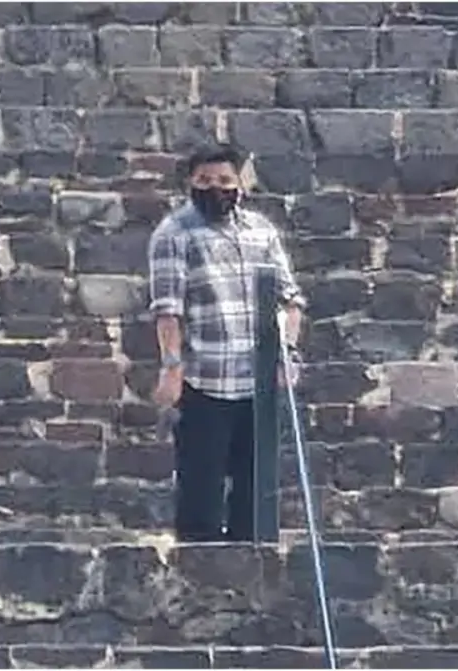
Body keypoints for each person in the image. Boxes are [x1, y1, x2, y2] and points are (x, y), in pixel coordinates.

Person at [148, 143, 306, 543]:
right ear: (190, 183)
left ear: (240, 184)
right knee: (201, 489)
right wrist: (171, 368)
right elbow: (168, 309)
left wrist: (287, 352)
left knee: (256, 492)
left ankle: (254, 577)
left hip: (257, 383)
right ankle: (201, 583)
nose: (215, 188)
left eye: (224, 180)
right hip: (206, 381)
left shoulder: (260, 232)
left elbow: (290, 300)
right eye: (204, 181)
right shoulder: (174, 234)